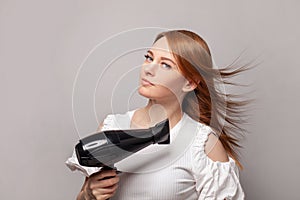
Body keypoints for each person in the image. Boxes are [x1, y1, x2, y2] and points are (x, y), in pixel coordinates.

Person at [69, 29, 250, 200]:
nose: (148, 69)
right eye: (149, 58)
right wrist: (88, 194)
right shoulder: (112, 126)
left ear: (190, 83)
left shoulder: (203, 144)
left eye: (165, 65)